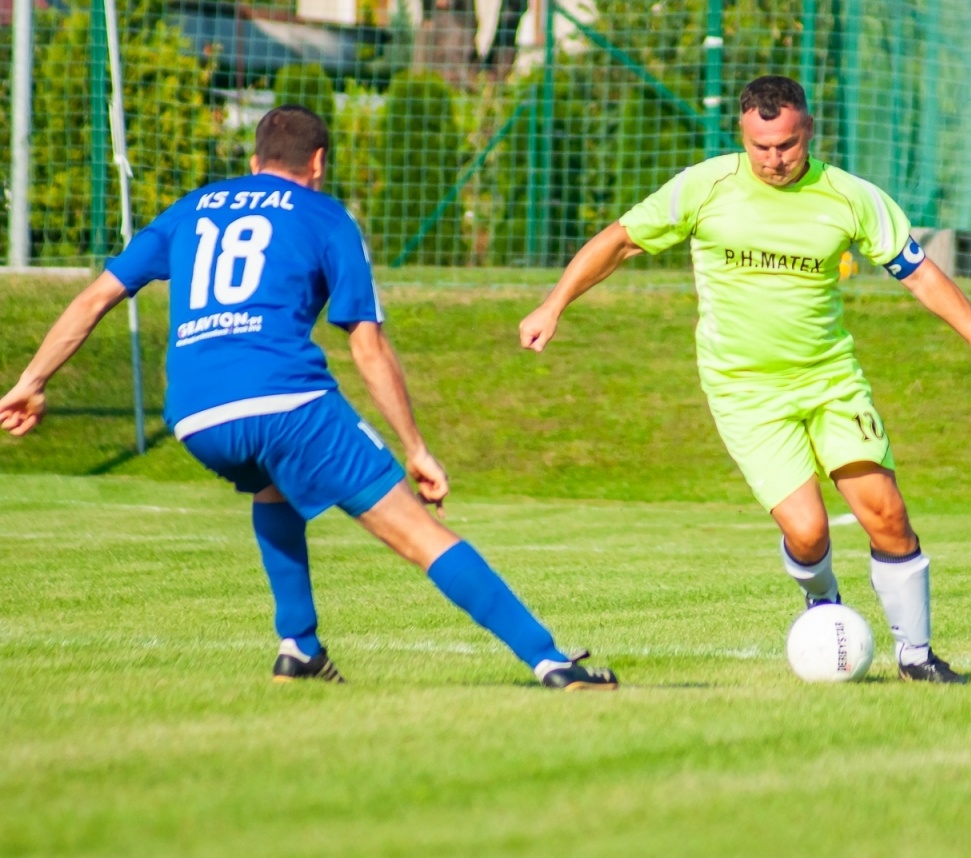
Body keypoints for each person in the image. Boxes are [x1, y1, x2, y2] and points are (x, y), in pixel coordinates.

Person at [0, 105, 617, 691]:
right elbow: (367, 347)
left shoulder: (192, 209)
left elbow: (93, 299)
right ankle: (549, 660)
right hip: (284, 402)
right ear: (317, 163)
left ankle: (299, 646)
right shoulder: (325, 217)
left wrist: (31, 381)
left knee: (273, 485)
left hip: (195, 415)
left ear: (255, 159)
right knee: (418, 532)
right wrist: (418, 448)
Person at [519, 76, 971, 683]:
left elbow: (918, 276)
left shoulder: (850, 197)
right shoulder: (705, 187)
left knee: (887, 514)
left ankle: (917, 657)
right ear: (743, 134)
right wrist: (554, 304)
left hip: (830, 381)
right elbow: (619, 242)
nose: (773, 159)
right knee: (809, 532)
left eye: (785, 145)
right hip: (745, 392)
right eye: (760, 147)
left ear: (808, 131)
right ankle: (824, 609)